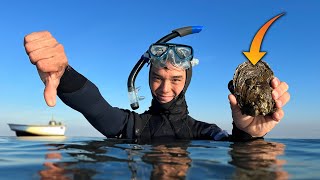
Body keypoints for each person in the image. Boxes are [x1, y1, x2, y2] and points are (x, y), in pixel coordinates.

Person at [24, 31, 290, 142]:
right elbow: (98, 109)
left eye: (175, 80)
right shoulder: (133, 126)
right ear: (147, 77)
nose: (164, 88)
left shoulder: (206, 133)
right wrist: (65, 74)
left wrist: (249, 136)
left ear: (186, 83)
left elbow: (235, 152)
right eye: (157, 78)